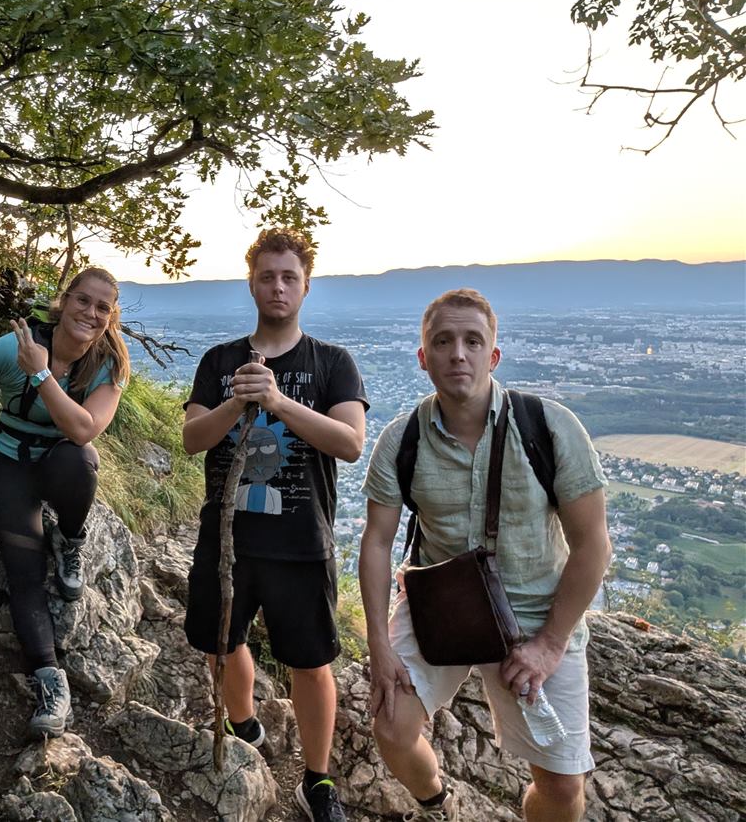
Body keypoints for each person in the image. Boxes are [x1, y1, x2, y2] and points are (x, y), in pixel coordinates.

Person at [360, 288, 611, 822]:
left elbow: (593, 545)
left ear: (493, 356)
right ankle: (438, 803)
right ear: (423, 357)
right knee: (391, 724)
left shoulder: (549, 428)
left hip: (538, 614)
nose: (458, 353)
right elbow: (377, 543)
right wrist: (379, 644)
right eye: (443, 341)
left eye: (473, 341)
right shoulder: (400, 440)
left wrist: (550, 644)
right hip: (441, 606)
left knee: (563, 788)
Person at [182, 228, 368, 822]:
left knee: (311, 664)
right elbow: (191, 439)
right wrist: (237, 401)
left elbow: (350, 444)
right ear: (252, 284)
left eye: (289, 276)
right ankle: (245, 730)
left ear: (306, 285)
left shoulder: (332, 363)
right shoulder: (219, 362)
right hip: (226, 538)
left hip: (300, 541)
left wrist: (281, 402)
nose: (278, 286)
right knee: (221, 643)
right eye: (268, 276)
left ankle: (316, 781)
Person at [0, 268, 129, 737]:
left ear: (110, 317)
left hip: (62, 459)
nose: (91, 313)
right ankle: (48, 676)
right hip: (10, 459)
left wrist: (39, 372)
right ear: (64, 303)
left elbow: (83, 429)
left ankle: (72, 538)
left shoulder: (109, 364)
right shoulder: (11, 347)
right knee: (25, 568)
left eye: (102, 307)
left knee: (80, 459)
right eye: (82, 301)